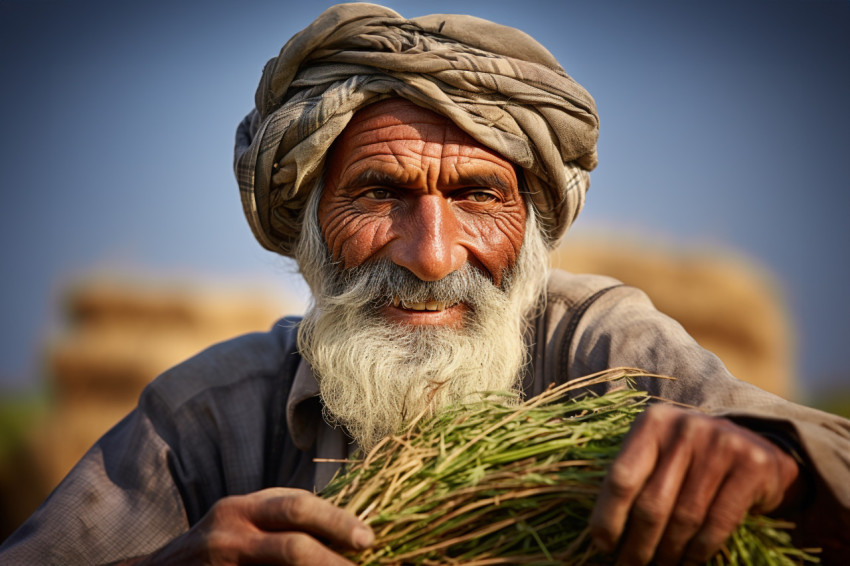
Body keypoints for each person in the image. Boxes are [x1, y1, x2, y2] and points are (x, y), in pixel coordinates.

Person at [2, 4, 848, 565]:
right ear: (307, 224)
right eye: (379, 193)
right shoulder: (209, 414)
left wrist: (783, 468)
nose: (432, 256)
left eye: (478, 196)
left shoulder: (602, 347)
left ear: (534, 225)